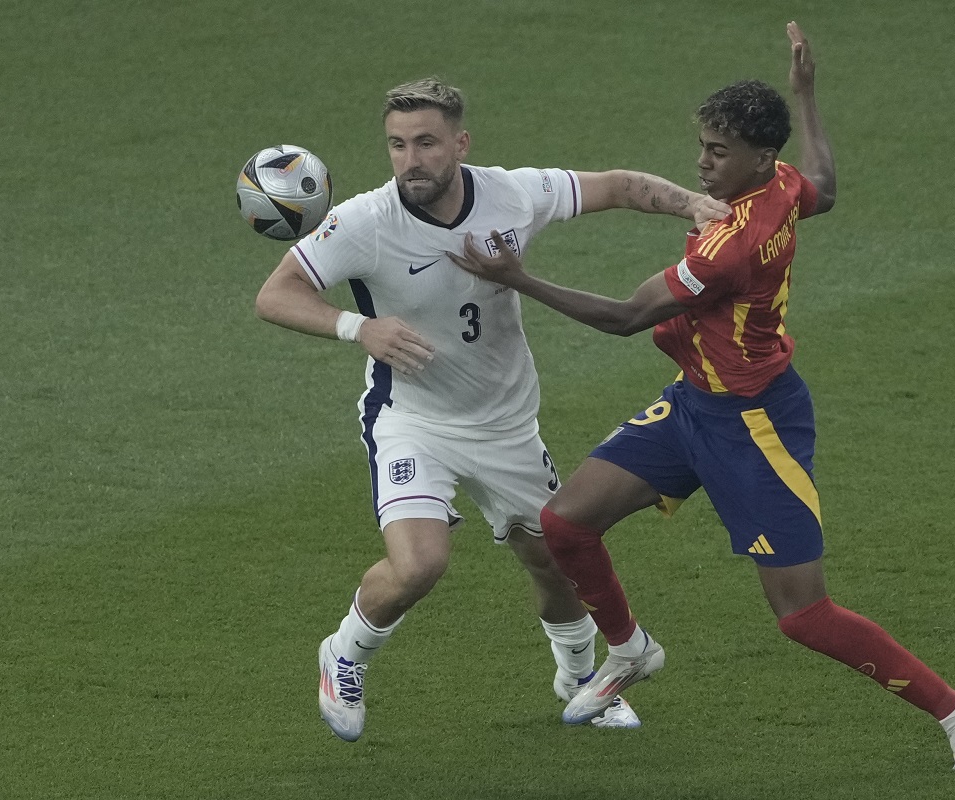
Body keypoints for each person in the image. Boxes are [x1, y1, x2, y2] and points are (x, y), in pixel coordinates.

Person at [449, 24, 955, 771]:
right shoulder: (780, 188)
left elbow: (623, 318)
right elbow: (827, 190)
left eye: (716, 151)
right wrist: (806, 95)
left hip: (754, 426)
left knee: (803, 613)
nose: (701, 163)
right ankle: (628, 651)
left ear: (758, 158)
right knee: (565, 524)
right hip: (695, 405)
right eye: (703, 145)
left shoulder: (727, 247)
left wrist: (517, 278)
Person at [254, 78, 730, 742]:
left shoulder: (512, 192)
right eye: (396, 145)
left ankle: (576, 678)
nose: (409, 159)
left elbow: (619, 185)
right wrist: (355, 328)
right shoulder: (363, 222)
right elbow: (276, 294)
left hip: (505, 424)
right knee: (421, 564)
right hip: (413, 420)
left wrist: (695, 206)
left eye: (424, 142)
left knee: (556, 562)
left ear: (460, 143)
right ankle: (345, 654)